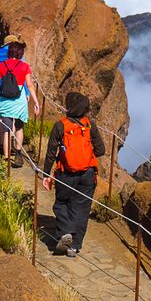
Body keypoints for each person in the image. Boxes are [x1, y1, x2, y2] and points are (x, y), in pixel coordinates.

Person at [43, 90, 101, 256]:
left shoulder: (60, 125)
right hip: (88, 174)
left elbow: (50, 153)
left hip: (66, 174)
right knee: (81, 209)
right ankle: (74, 246)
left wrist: (46, 174)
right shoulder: (90, 125)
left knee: (61, 203)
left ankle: (65, 232)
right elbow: (101, 150)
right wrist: (85, 156)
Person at [0, 38, 31, 166]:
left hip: (4, 96)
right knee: (18, 127)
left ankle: (4, 154)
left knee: (5, 127)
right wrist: (29, 95)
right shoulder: (23, 64)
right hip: (19, 99)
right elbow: (27, 83)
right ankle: (18, 154)